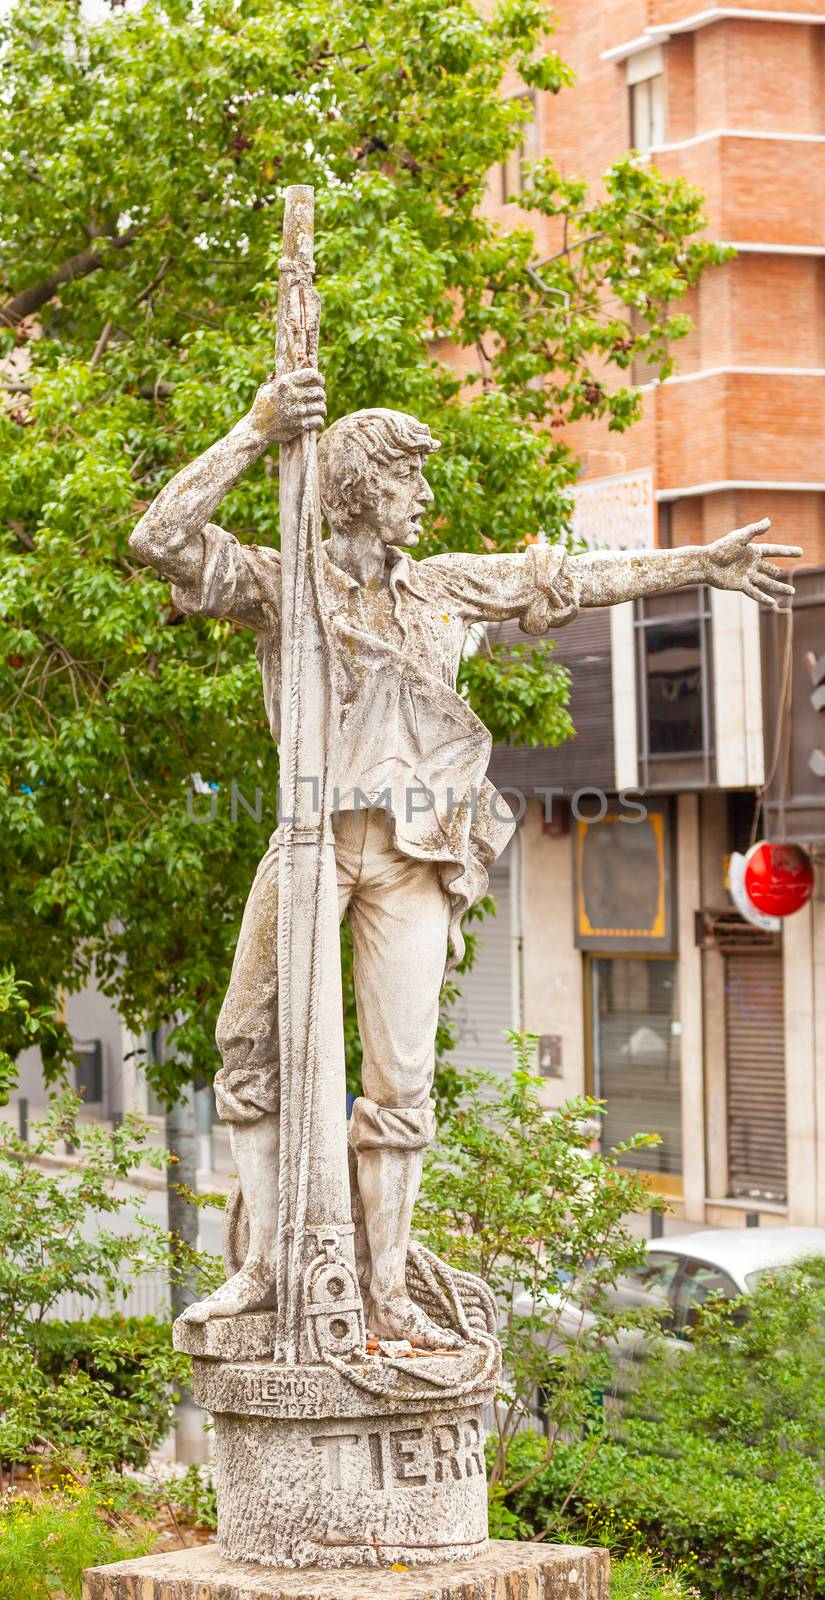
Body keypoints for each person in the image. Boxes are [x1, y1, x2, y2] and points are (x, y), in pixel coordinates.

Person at [129, 368, 800, 1346]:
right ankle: (271, 1266)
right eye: (409, 482)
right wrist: (255, 428)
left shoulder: (444, 588)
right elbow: (161, 538)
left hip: (410, 859)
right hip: (312, 843)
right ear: (360, 491)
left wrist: (702, 562)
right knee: (249, 1044)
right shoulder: (285, 585)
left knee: (402, 1083)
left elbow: (569, 579)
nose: (427, 500)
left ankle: (389, 1292)